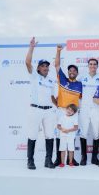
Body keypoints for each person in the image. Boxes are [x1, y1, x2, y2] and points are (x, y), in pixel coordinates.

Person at [25, 37, 56, 170]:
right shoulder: (34, 76)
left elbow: (53, 97)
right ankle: (30, 161)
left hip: (49, 111)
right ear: (38, 68)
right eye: (42, 66)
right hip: (35, 110)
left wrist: (60, 105)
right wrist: (32, 47)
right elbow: (27, 62)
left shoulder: (51, 81)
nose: (45, 68)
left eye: (47, 66)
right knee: (33, 134)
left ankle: (48, 160)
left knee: (50, 135)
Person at [53, 45, 82, 167]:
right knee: (60, 134)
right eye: (70, 70)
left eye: (74, 71)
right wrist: (58, 51)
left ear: (77, 73)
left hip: (74, 112)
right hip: (62, 111)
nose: (72, 72)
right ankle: (59, 160)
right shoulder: (63, 80)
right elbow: (57, 66)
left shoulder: (80, 84)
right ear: (68, 71)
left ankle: (72, 159)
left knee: (72, 135)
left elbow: (80, 99)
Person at [77, 58, 99, 166]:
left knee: (96, 133)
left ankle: (94, 158)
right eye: (91, 64)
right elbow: (76, 90)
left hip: (96, 108)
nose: (92, 66)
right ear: (88, 65)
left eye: (94, 64)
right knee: (83, 132)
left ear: (97, 66)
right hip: (84, 109)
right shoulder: (82, 77)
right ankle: (84, 157)